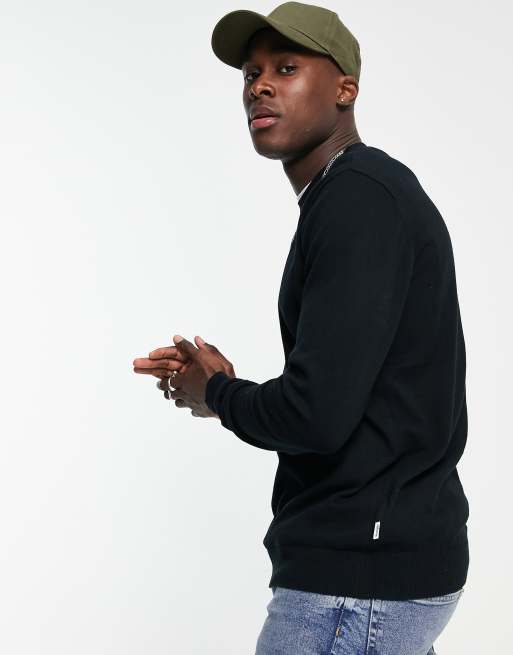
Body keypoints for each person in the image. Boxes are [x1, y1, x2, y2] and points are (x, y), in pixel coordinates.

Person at [133, 2, 470, 653]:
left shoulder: (358, 201)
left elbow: (316, 415)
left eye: (285, 68)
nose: (259, 86)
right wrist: (220, 388)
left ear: (345, 89)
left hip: (358, 581)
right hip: (380, 566)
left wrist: (217, 393)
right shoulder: (353, 194)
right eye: (251, 73)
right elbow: (349, 393)